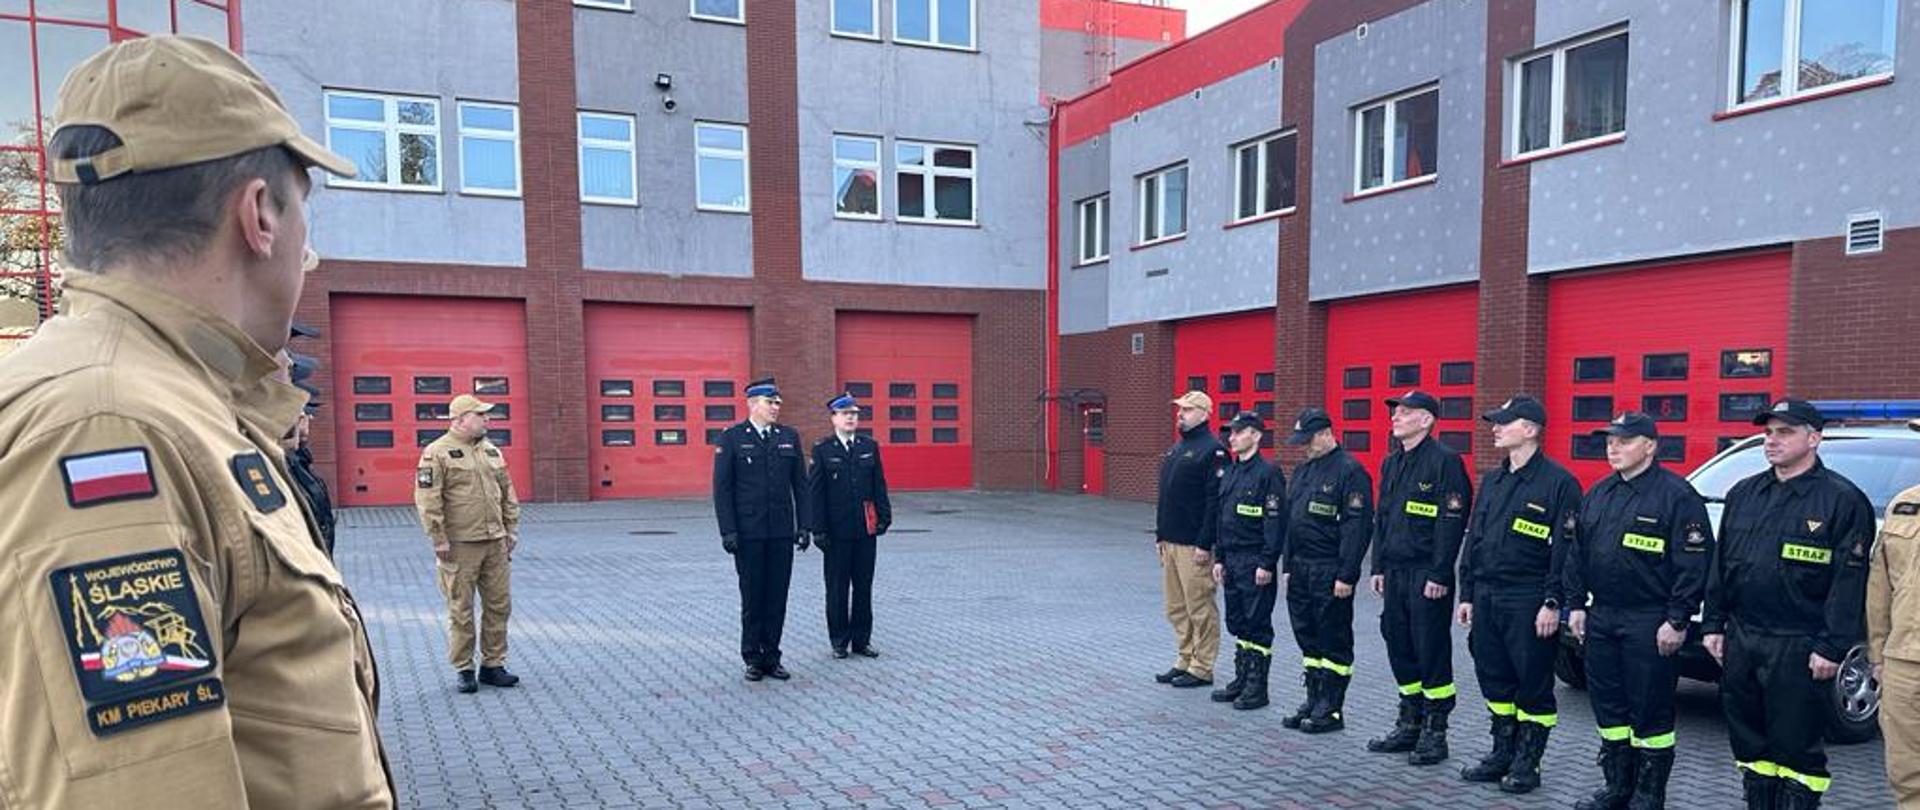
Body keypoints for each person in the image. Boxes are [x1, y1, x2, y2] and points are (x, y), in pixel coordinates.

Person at [0, 35, 392, 807]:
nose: (308, 254)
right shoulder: (109, 425)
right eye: (305, 213)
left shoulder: (172, 398)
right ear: (259, 215)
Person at [1702, 399, 1875, 810]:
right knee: (1750, 742)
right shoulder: (1744, 493)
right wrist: (1712, 624)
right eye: (1768, 433)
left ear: (1814, 439)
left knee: (1796, 746)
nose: (1771, 441)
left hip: (1799, 643)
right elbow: (1721, 565)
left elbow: (1848, 583)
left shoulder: (1842, 501)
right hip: (1743, 638)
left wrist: (1831, 646)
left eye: (1785, 432)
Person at [1565, 412, 1713, 810]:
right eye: (1609, 441)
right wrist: (1575, 604)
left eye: (1624, 441)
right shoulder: (1599, 493)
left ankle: (1649, 794)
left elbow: (1694, 565)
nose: (1613, 448)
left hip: (1650, 620)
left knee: (1650, 710)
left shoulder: (1677, 496)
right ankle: (1618, 787)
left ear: (1650, 446)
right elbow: (1576, 554)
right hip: (1602, 616)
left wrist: (1677, 619)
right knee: (1609, 706)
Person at [1454, 396, 1581, 794]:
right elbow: (1475, 540)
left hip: (1529, 598)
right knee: (1494, 676)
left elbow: (1566, 552)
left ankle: (1528, 762)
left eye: (1504, 422)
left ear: (1530, 429)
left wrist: (1553, 602)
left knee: (1532, 682)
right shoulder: (1493, 480)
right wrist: (1467, 593)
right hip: (1487, 595)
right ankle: (1502, 752)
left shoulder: (1559, 484)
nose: (1495, 428)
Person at [1366, 390, 1473, 766]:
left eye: (1405, 412)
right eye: (1394, 411)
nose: (1395, 417)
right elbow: (1382, 517)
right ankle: (1409, 722)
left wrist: (1441, 572)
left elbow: (1452, 520)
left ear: (1426, 420)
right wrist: (1377, 566)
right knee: (1399, 643)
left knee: (1430, 648)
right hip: (1395, 572)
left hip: (1427, 573)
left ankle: (1435, 731)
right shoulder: (1392, 462)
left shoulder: (1445, 462)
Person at [415, 393, 523, 693]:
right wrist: (438, 538)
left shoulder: (490, 450)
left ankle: (493, 665)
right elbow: (428, 499)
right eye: (480, 415)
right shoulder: (436, 452)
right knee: (461, 608)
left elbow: (507, 492)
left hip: (495, 542)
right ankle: (464, 668)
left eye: (486, 414)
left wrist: (511, 530)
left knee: (499, 605)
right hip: (459, 544)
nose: (487, 419)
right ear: (460, 420)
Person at [1277, 407, 1373, 733]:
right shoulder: (1303, 471)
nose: (1304, 447)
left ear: (1325, 434)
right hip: (1301, 568)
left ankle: (1331, 708)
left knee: (1333, 638)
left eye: (1308, 440)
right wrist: (1287, 565)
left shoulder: (1350, 471)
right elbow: (1291, 521)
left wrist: (1347, 574)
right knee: (1307, 635)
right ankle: (1314, 698)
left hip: (1329, 568)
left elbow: (1357, 528)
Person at [714, 377, 810, 681]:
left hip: (781, 531)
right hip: (748, 532)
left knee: (777, 597)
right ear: (753, 404)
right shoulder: (732, 438)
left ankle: (772, 656)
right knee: (753, 597)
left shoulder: (788, 437)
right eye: (771, 402)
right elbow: (722, 489)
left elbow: (801, 486)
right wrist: (728, 531)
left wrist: (804, 525)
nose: (776, 407)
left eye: (778, 402)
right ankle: (753, 658)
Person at [1207, 411, 1287, 710]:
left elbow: (1274, 522)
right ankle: (1242, 678)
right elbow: (1221, 518)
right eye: (1231, 433)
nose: (1232, 438)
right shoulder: (1231, 472)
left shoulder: (1268, 473)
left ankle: (1257, 687)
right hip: (1232, 559)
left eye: (1238, 432)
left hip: (1255, 560)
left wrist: (1267, 562)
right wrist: (1220, 557)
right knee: (1238, 622)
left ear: (1255, 435)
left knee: (1257, 624)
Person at [807, 391, 892, 659]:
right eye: (845, 414)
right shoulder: (823, 449)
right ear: (833, 418)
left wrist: (884, 516)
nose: (851, 418)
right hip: (836, 533)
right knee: (837, 589)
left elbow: (878, 484)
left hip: (864, 530)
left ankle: (862, 641)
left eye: (854, 414)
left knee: (863, 587)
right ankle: (839, 641)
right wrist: (818, 529)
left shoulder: (869, 446)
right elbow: (815, 493)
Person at [1153, 391, 1227, 688]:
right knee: (1176, 607)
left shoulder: (1213, 451)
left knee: (1200, 607)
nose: (1180, 414)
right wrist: (1160, 535)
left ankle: (1202, 667)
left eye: (1187, 409)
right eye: (1179, 409)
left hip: (1193, 546)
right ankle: (1185, 658)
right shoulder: (1177, 448)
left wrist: (1205, 543)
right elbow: (1166, 496)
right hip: (1171, 542)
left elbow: (1214, 503)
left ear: (1204, 414)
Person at [1867, 418, 1920, 809]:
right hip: (1904, 661)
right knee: (1906, 771)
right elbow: (1880, 588)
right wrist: (1879, 655)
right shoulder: (1905, 506)